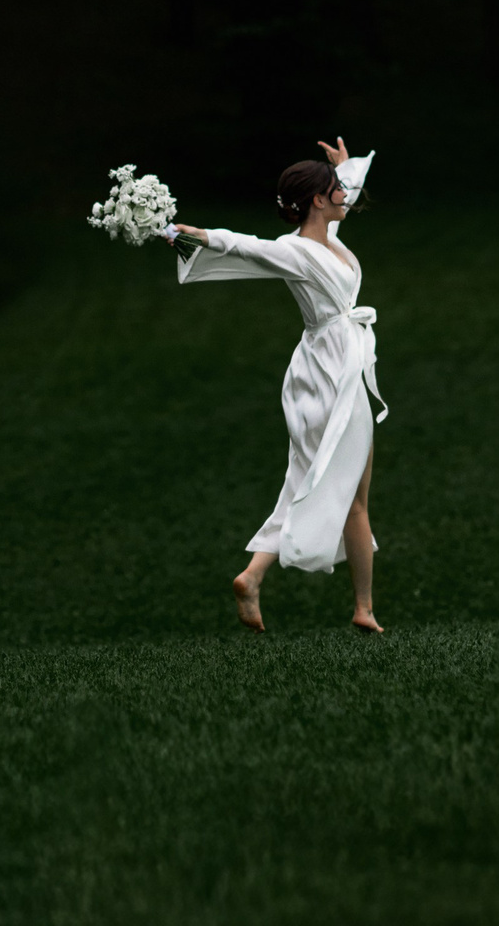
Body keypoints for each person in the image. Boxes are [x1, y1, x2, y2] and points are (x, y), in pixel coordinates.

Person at [168, 138, 389, 634]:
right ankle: (364, 608)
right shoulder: (295, 250)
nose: (345, 196)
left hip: (331, 367)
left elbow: (346, 194)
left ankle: (254, 576)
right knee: (354, 497)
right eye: (336, 190)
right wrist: (200, 235)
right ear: (318, 200)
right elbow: (248, 246)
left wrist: (345, 169)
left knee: (309, 481)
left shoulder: (327, 235)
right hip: (331, 375)